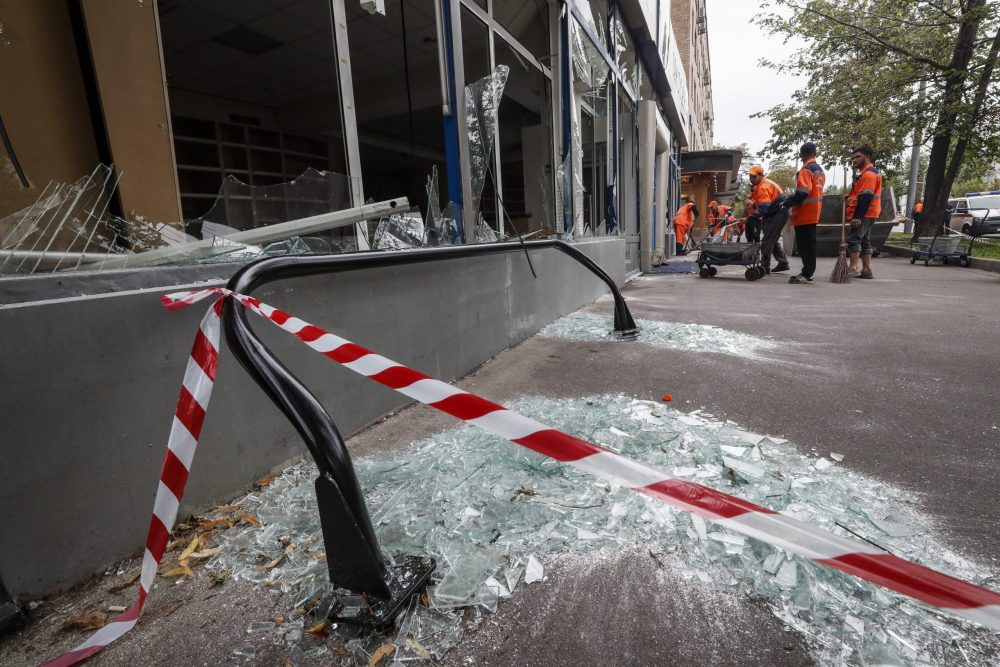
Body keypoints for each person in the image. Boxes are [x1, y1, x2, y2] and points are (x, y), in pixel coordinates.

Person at [781, 142, 825, 284]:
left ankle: (807, 274)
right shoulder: (819, 170)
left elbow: (802, 193)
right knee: (809, 245)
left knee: (805, 246)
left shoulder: (806, 169)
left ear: (802, 154)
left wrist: (787, 202)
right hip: (814, 212)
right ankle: (808, 273)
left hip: (804, 213)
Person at [844, 146, 882, 279]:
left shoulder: (869, 174)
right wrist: (848, 198)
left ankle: (853, 269)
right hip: (869, 213)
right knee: (865, 240)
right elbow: (860, 194)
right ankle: (867, 269)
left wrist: (857, 217)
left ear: (867, 157)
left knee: (854, 239)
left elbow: (866, 197)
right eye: (853, 157)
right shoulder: (867, 173)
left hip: (864, 213)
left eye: (858, 157)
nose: (854, 160)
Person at [746, 165, 791, 274]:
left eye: (754, 177)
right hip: (775, 212)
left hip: (778, 213)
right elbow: (764, 204)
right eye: (750, 177)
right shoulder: (763, 184)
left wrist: (749, 218)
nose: (751, 179)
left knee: (767, 240)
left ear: (761, 175)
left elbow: (764, 208)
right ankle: (783, 263)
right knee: (772, 239)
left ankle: (764, 266)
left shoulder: (763, 187)